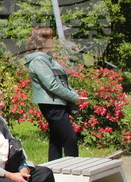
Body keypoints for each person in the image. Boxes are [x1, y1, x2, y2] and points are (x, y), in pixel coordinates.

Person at [22, 26, 87, 161]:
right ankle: (73, 168)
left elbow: (61, 81)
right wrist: (73, 97)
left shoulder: (46, 58)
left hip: (56, 102)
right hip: (51, 104)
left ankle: (53, 169)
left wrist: (74, 94)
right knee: (70, 138)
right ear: (43, 40)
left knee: (56, 139)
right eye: (51, 38)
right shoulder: (39, 60)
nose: (54, 40)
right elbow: (52, 85)